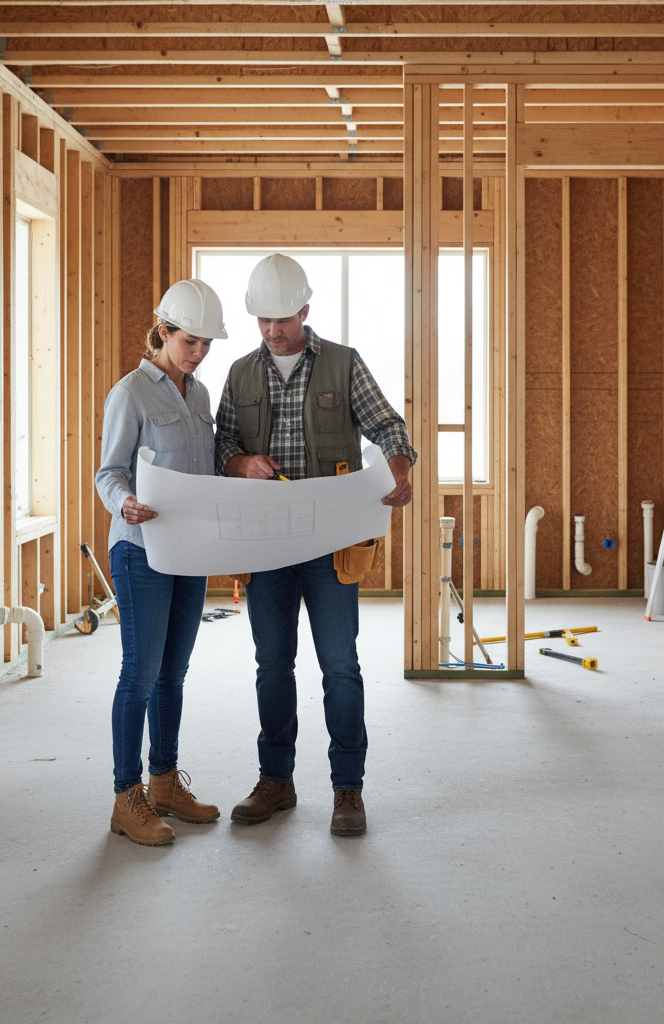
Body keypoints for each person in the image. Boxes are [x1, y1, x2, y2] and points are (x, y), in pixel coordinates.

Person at [215, 253, 416, 837]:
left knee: (340, 667)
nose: (273, 331)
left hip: (332, 546)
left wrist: (399, 470)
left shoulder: (344, 365)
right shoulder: (239, 374)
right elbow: (222, 443)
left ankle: (347, 790)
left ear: (305, 310)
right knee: (272, 666)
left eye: (283, 319)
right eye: (263, 321)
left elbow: (389, 427)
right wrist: (240, 461)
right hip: (266, 548)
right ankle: (275, 780)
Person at [95, 279, 226, 846]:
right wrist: (123, 500)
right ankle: (128, 798)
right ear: (163, 331)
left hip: (188, 550)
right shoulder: (131, 392)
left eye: (206, 344)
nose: (198, 352)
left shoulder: (198, 396)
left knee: (174, 672)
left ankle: (166, 784)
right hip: (139, 550)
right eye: (189, 340)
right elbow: (109, 472)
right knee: (140, 675)